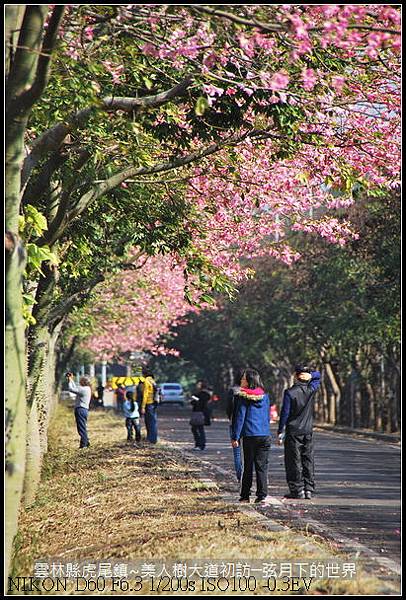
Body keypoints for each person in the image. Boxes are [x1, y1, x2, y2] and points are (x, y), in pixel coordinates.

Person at [277, 364, 321, 500]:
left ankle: (297, 490)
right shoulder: (311, 389)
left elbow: (285, 413)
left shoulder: (290, 393)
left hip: (293, 431)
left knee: (293, 460)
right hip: (307, 430)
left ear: (295, 376)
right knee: (308, 459)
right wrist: (312, 375)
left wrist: (280, 430)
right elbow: (318, 376)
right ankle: (309, 489)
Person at [231, 368, 272, 504]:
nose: (241, 380)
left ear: (249, 381)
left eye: (243, 378)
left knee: (248, 466)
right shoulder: (265, 396)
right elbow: (267, 416)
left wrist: (235, 436)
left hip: (250, 435)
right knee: (262, 466)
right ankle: (262, 496)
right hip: (264, 434)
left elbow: (240, 418)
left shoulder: (242, 397)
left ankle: (245, 495)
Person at [66, 373, 91, 449]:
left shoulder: (83, 389)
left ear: (83, 382)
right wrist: (71, 379)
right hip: (84, 409)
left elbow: (71, 389)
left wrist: (70, 380)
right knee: (83, 427)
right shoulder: (87, 388)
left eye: (81, 380)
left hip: (80, 409)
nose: (79, 381)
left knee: (81, 428)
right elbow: (75, 388)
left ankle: (84, 445)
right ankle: (86, 442)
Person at [190, 380, 211, 451]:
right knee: (196, 429)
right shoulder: (200, 393)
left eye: (198, 384)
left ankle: (200, 445)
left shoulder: (204, 394)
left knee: (198, 429)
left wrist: (195, 400)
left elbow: (201, 403)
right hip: (198, 413)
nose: (197, 385)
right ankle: (199, 444)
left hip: (200, 413)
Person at [140, 368, 158, 443]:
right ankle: (153, 438)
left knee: (149, 422)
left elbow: (145, 394)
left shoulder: (146, 381)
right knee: (153, 421)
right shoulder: (152, 380)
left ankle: (151, 439)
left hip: (148, 403)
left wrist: (143, 406)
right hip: (154, 403)